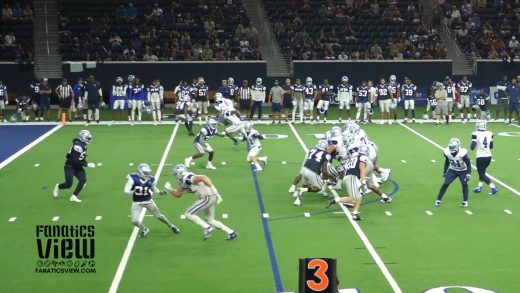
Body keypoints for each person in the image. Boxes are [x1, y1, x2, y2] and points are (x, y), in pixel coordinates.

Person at [164, 164, 238, 241]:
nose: (175, 175)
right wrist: (170, 189)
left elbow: (204, 177)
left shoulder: (187, 178)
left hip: (207, 197)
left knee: (188, 214)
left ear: (179, 173)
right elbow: (178, 194)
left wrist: (215, 191)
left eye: (176, 174)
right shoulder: (183, 180)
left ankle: (208, 228)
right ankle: (231, 232)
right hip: (209, 197)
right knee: (210, 220)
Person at [124, 163, 180, 238]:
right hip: (137, 202)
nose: (147, 174)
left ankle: (171, 226)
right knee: (134, 221)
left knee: (158, 216)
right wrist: (134, 191)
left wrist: (160, 192)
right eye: (145, 172)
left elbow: (153, 188)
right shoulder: (133, 178)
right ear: (140, 172)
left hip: (148, 201)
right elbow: (126, 191)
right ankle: (144, 229)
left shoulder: (151, 179)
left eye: (148, 172)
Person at [326, 145, 371, 221]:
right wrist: (363, 182)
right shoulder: (363, 157)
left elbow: (341, 168)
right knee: (353, 199)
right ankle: (335, 199)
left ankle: (355, 213)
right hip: (352, 178)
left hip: (348, 178)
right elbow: (362, 170)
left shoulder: (352, 158)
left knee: (359, 196)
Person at [53, 130, 96, 203]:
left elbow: (81, 157)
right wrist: (87, 164)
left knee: (83, 180)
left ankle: (74, 196)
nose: (89, 139)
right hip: (70, 166)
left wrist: (86, 162)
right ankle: (58, 186)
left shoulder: (82, 144)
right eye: (87, 138)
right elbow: (75, 160)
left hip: (77, 166)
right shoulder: (78, 146)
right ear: (82, 137)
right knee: (68, 184)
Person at [435, 138, 472, 208]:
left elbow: (468, 164)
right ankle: (438, 200)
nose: (451, 149)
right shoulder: (447, 151)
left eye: (453, 147)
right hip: (453, 170)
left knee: (464, 184)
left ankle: (465, 201)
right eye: (451, 147)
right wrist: (445, 171)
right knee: (446, 183)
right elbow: (447, 161)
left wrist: (468, 174)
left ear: (458, 146)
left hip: (463, 170)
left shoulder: (463, 153)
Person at [293, 140, 331, 206]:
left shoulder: (312, 150)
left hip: (304, 169)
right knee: (319, 188)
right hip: (313, 172)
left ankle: (298, 198)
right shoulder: (326, 155)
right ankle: (301, 190)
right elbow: (324, 170)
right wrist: (327, 178)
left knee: (305, 184)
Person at [471, 120, 498, 195]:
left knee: (481, 173)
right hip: (488, 156)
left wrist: (474, 141)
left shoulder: (475, 134)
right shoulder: (490, 133)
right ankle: (479, 186)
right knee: (482, 172)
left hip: (480, 157)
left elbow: (472, 147)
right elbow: (491, 146)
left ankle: (493, 187)